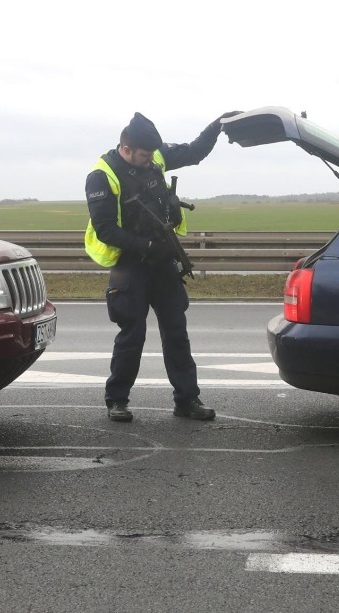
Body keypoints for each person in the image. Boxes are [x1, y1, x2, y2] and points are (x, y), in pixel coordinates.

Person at [85, 110, 241, 422]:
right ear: (126, 149)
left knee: (176, 332)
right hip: (131, 263)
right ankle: (117, 400)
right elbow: (105, 230)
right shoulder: (102, 176)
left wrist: (217, 125)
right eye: (143, 155)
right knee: (133, 334)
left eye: (151, 154)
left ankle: (187, 400)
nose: (149, 160)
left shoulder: (155, 157)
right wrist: (146, 246)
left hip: (163, 262)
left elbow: (194, 152)